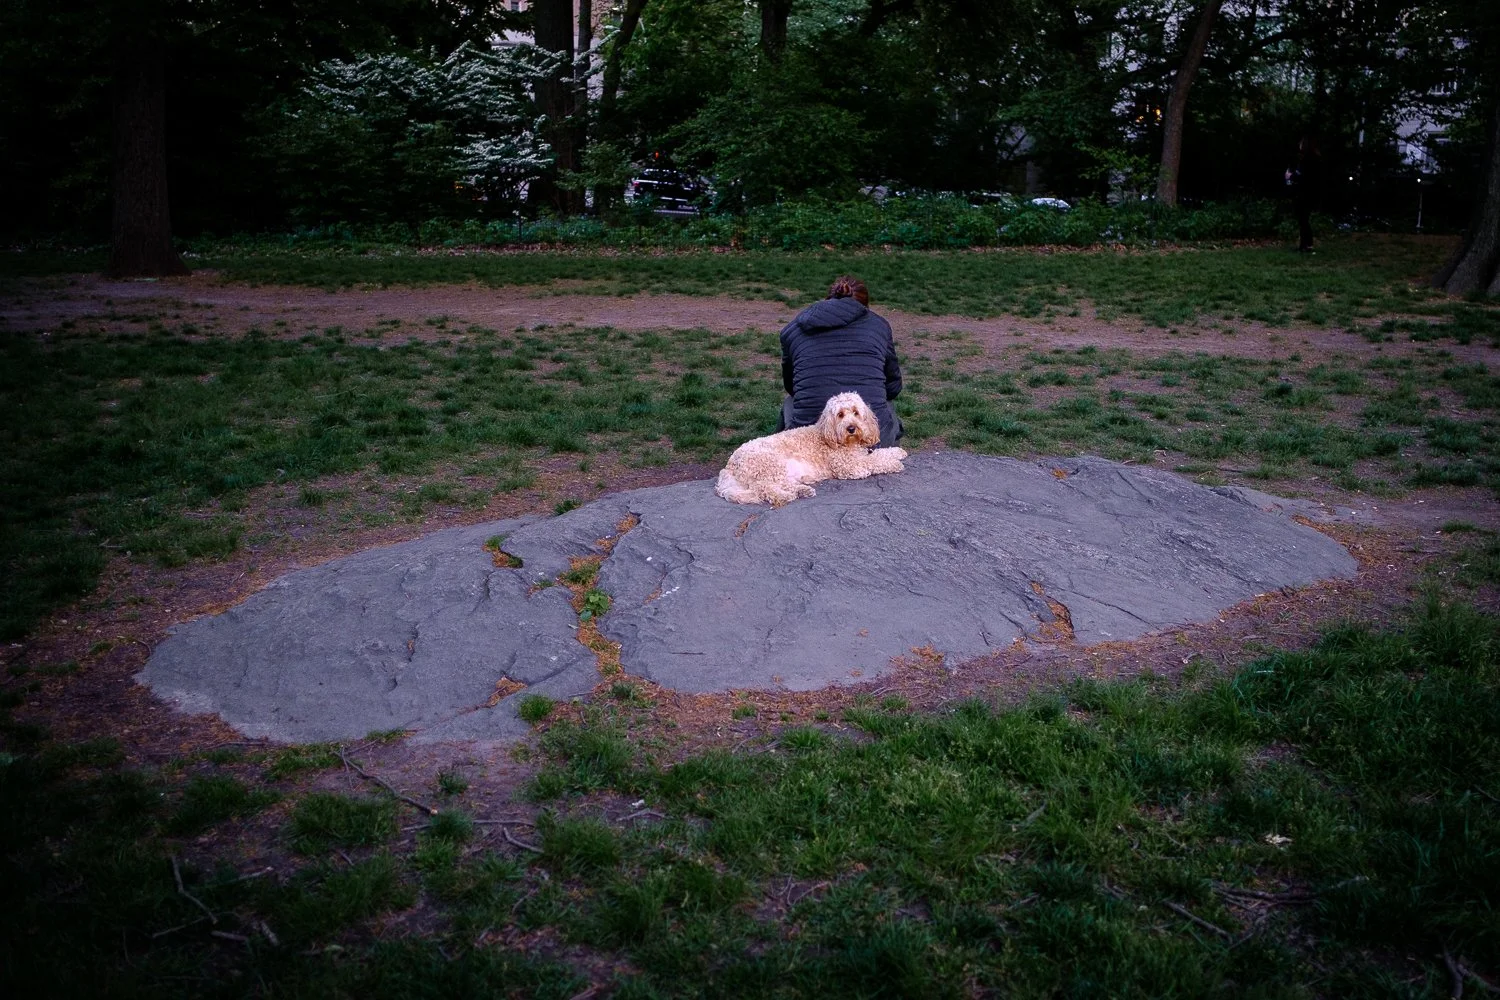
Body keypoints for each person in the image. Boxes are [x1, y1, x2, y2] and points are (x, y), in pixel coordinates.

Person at [777, 275, 904, 447]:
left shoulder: (792, 330)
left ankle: (783, 445)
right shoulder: (880, 326)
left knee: (791, 402)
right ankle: (879, 446)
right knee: (884, 404)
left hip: (809, 440)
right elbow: (893, 386)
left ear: (828, 299)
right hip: (872, 439)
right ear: (864, 306)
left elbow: (792, 386)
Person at [1285, 136, 1321, 253]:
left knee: (1303, 220)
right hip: (1310, 194)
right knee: (1304, 220)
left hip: (1304, 194)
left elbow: (1302, 177)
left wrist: (1291, 176)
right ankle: (1304, 245)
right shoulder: (1313, 159)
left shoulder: (1306, 161)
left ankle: (1307, 245)